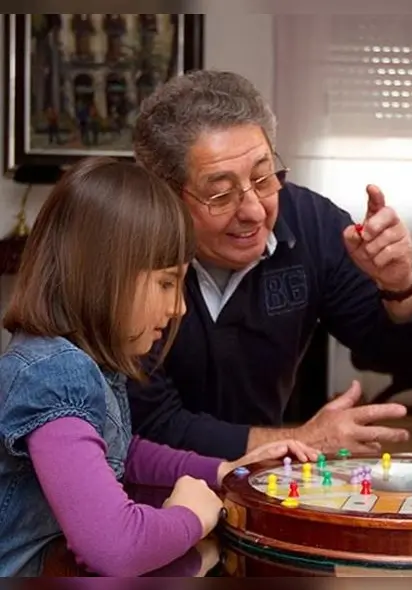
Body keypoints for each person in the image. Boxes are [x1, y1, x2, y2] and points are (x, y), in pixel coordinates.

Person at [0, 157, 318, 577]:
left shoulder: (85, 365)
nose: (179, 308)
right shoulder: (56, 376)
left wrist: (224, 471)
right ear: (104, 275)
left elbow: (121, 452)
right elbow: (116, 548)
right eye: (167, 282)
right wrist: (192, 516)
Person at [126, 70, 412, 460]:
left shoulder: (310, 223)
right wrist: (301, 441)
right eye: (221, 194)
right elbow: (145, 424)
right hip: (146, 492)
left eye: (263, 178)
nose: (253, 210)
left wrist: (400, 285)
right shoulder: (127, 252)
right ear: (165, 196)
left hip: (264, 483)